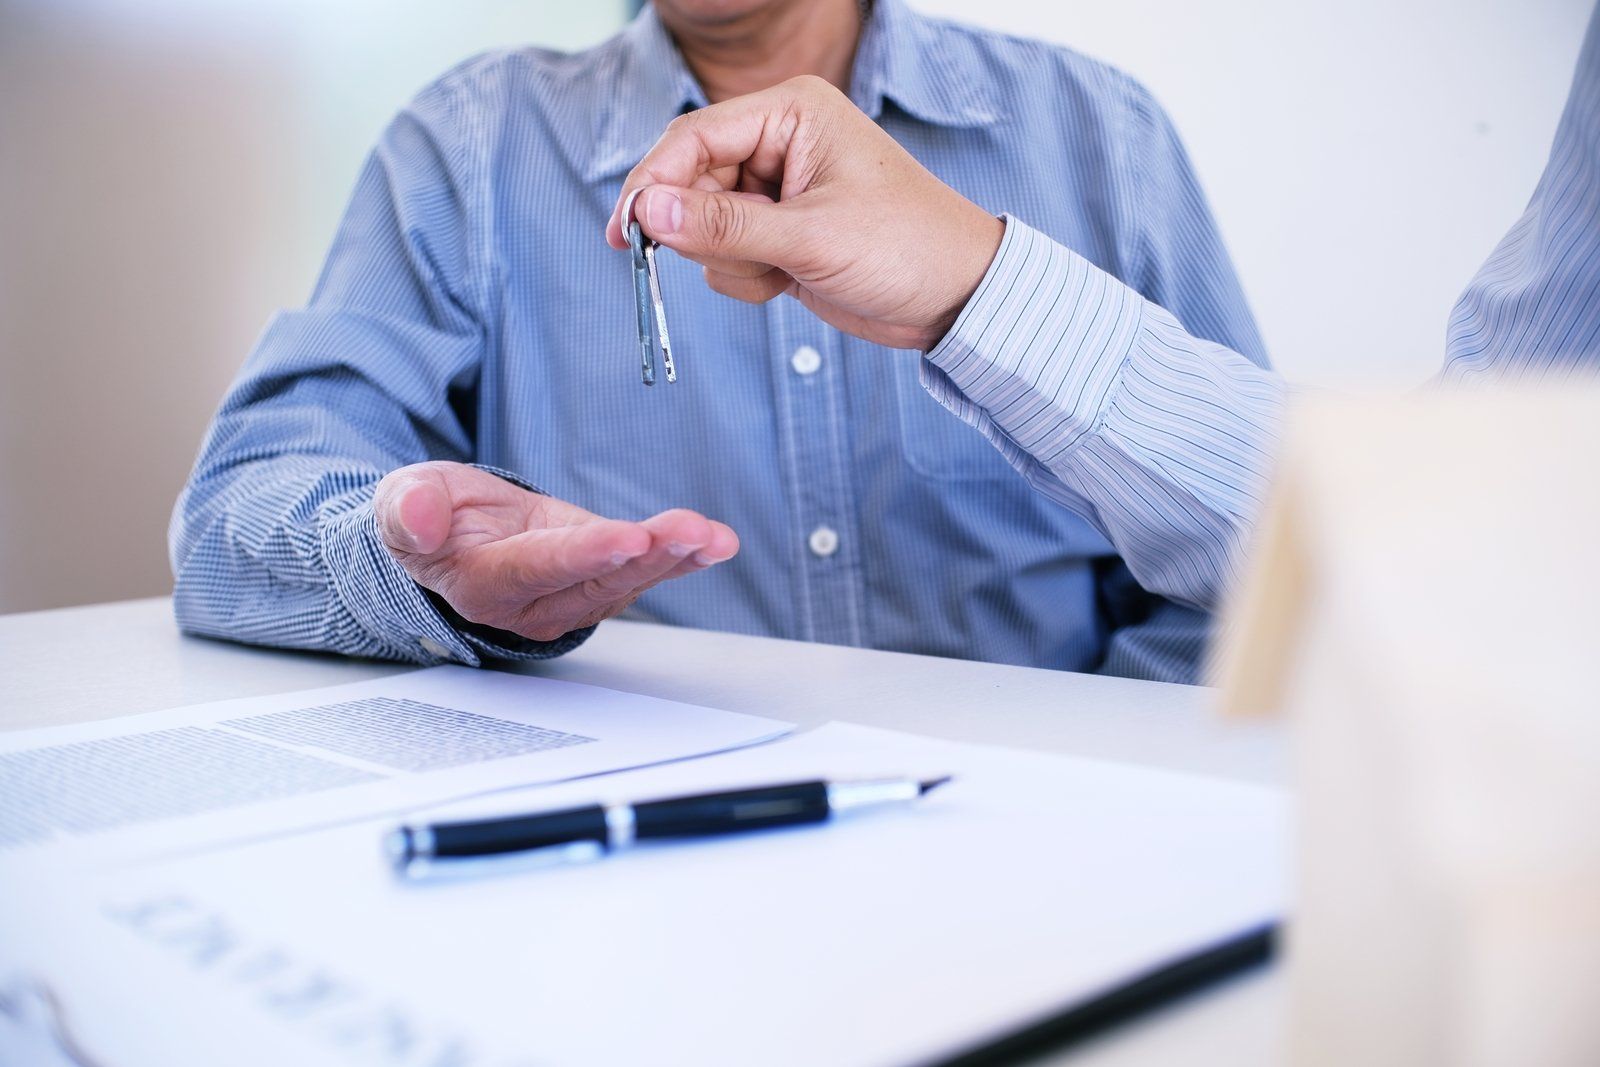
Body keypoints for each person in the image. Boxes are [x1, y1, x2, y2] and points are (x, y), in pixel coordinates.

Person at [172, 0, 1273, 682]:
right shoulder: (466, 147)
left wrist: (1079, 780)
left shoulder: (1095, 133)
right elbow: (230, 528)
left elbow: (1267, 566)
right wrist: (410, 569)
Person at [609, 1, 1600, 600]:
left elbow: (1295, 581)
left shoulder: (1099, 127)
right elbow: (1456, 541)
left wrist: (974, 288)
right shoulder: (463, 146)